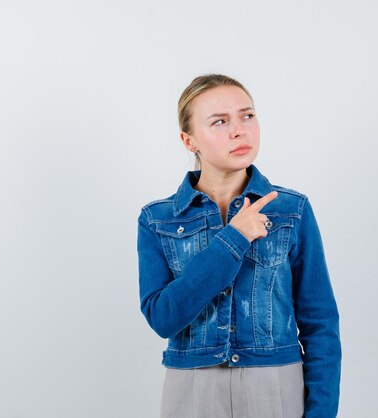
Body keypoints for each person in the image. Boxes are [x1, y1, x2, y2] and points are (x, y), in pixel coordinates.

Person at [136, 74, 341, 418]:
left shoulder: (292, 210)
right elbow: (163, 318)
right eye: (220, 121)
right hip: (192, 389)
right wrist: (234, 238)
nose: (239, 130)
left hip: (275, 385)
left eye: (247, 116)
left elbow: (320, 323)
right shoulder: (158, 219)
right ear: (189, 141)